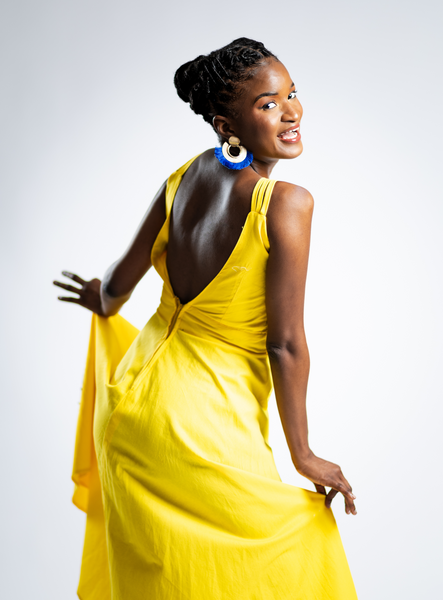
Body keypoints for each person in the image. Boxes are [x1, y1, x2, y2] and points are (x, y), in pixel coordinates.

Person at [54, 37, 358, 600]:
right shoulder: (287, 204)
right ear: (226, 124)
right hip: (199, 429)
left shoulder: (185, 177)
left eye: (292, 94)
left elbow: (119, 286)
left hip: (128, 410)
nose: (291, 112)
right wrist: (303, 453)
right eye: (268, 104)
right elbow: (285, 344)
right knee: (286, 561)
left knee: (168, 581)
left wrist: (98, 298)